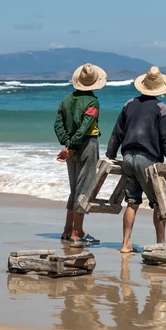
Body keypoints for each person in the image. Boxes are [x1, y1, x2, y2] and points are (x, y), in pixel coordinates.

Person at [105, 66, 166, 253]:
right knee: (159, 203)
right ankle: (161, 244)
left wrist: (111, 154)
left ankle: (125, 244)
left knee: (132, 202)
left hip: (128, 157)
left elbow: (117, 132)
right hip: (147, 160)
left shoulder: (128, 104)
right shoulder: (161, 108)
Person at [54, 63, 106, 244]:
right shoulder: (93, 102)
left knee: (74, 188)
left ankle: (67, 229)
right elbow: (85, 127)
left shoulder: (66, 101)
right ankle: (78, 232)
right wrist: (73, 146)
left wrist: (67, 145)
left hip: (71, 147)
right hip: (86, 145)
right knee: (84, 189)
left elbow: (58, 125)